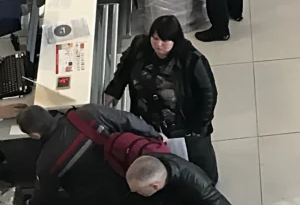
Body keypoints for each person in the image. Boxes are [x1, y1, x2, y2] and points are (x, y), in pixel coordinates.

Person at [103, 15, 219, 182]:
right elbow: (125, 70)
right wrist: (114, 91)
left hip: (184, 124)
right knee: (162, 160)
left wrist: (200, 126)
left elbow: (208, 94)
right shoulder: (139, 47)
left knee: (201, 164)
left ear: (175, 40)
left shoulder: (191, 59)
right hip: (149, 120)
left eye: (165, 40)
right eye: (155, 38)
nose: (158, 44)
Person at [17, 103, 161, 205]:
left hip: (104, 199)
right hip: (133, 171)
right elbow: (128, 120)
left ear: (35, 135)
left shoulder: (46, 163)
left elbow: (44, 197)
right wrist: (155, 137)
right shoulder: (89, 112)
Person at [126, 154, 231, 204]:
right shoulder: (152, 163)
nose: (134, 193)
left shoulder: (198, 188)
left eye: (138, 191)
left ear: (155, 186)